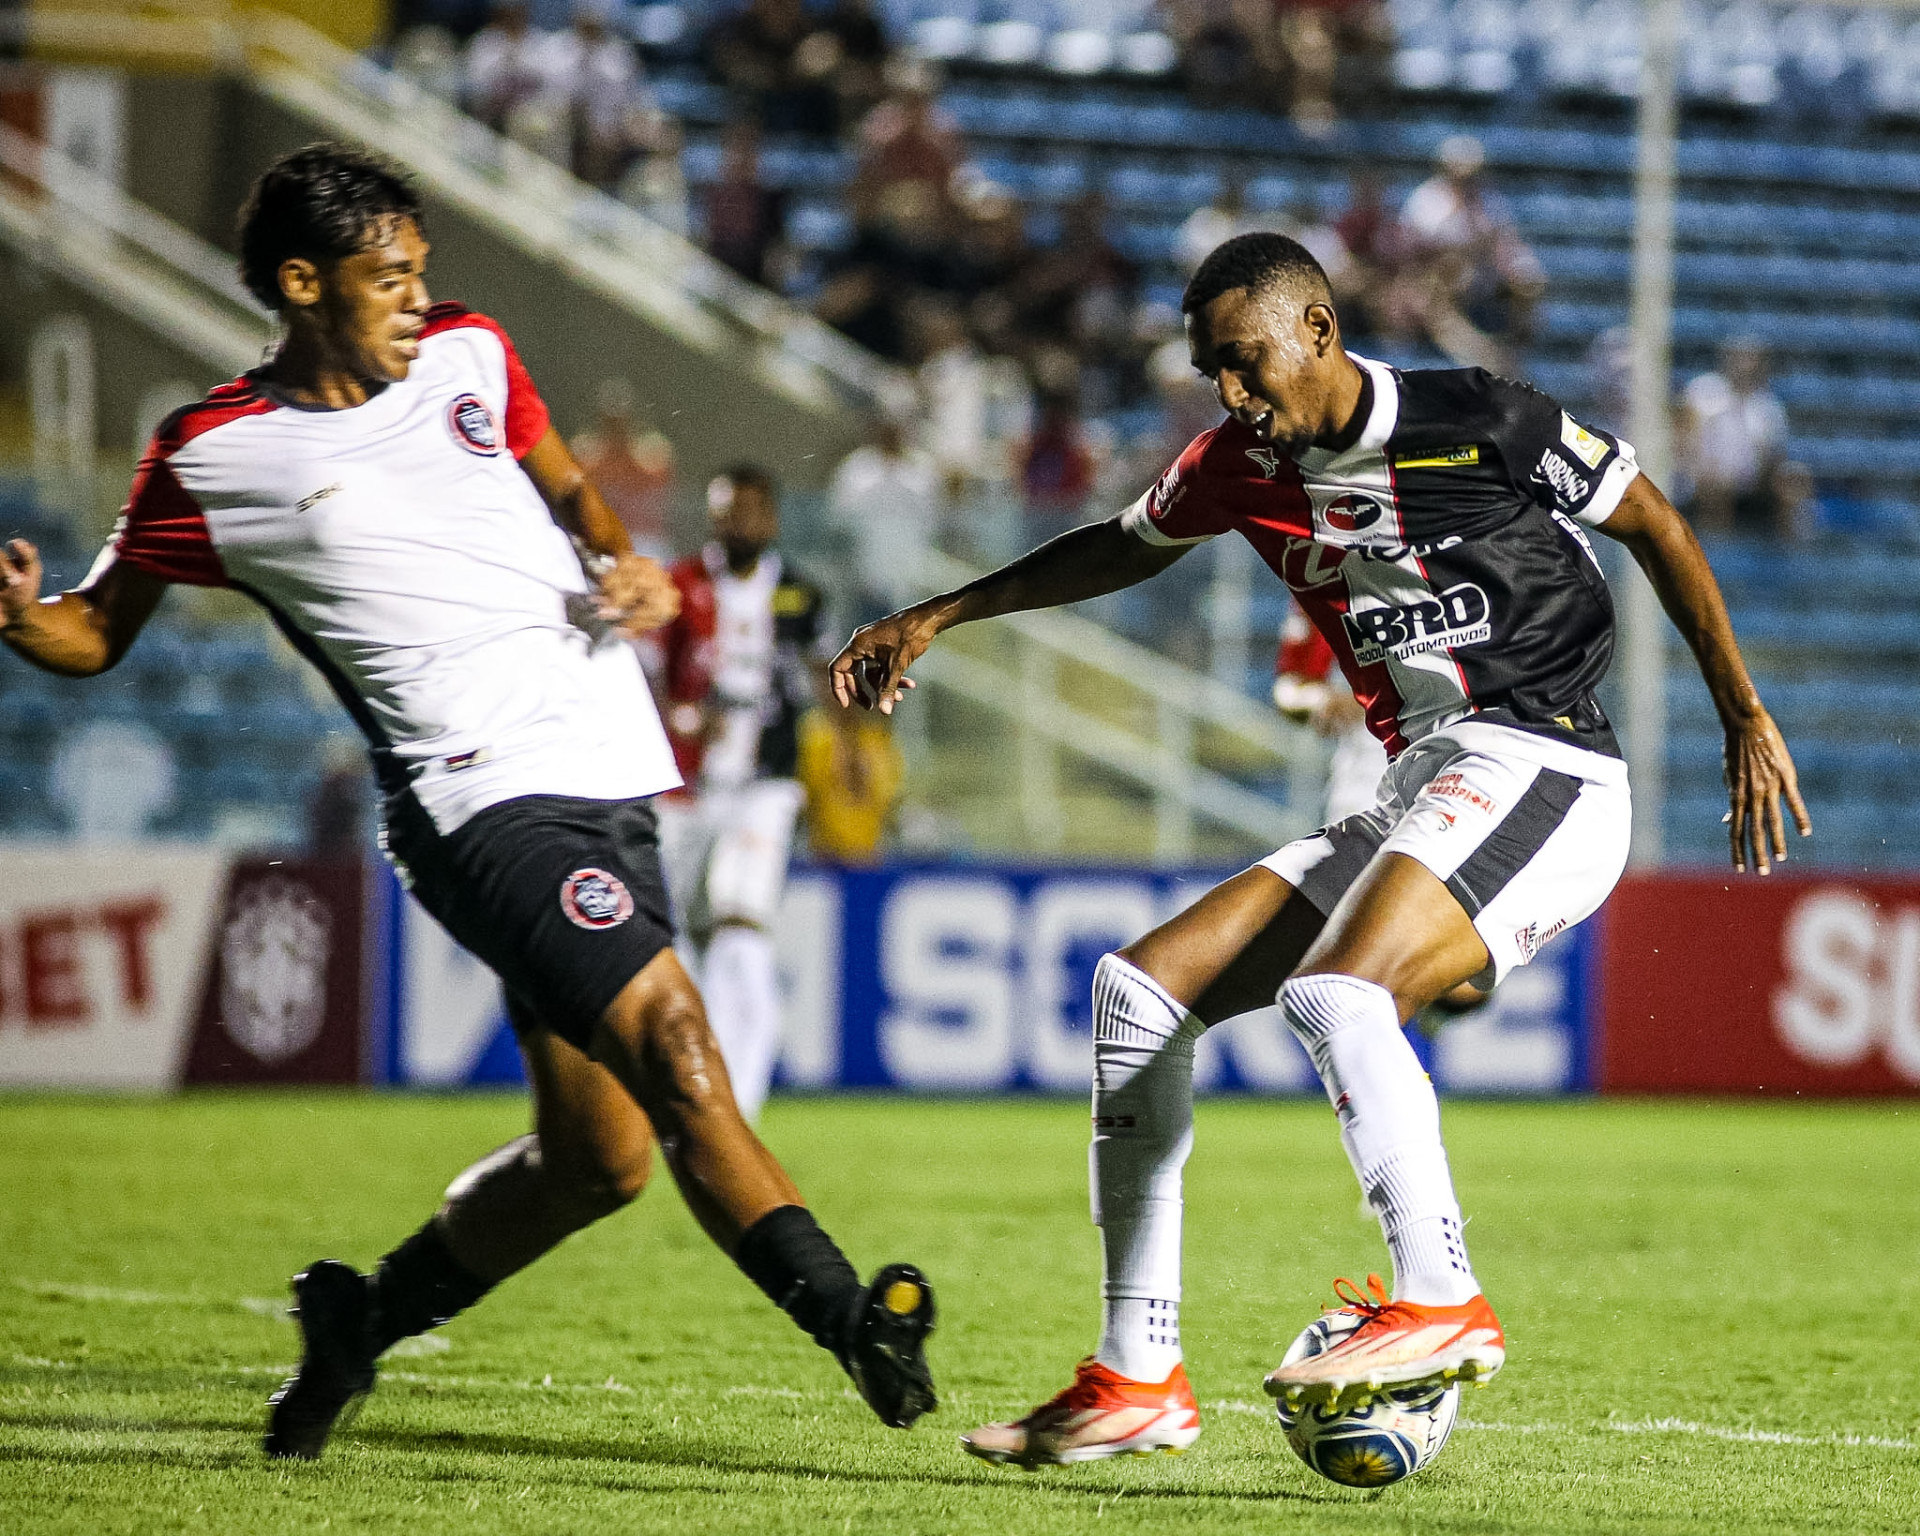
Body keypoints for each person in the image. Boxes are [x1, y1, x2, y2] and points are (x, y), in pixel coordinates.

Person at [0, 143, 936, 1459]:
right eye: (387, 278)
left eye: (420, 273)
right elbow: (94, 631)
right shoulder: (216, 454)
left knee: (597, 1161)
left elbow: (583, 509)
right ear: (300, 281)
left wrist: (637, 573)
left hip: (610, 775)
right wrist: (18, 619)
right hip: (477, 800)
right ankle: (858, 1321)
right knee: (679, 1042)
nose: (414, 298)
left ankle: (355, 1329)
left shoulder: (473, 354)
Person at [831, 232, 1808, 1466]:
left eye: (1246, 365)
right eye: (1211, 375)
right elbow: (1120, 545)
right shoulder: (1236, 464)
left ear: (1320, 332)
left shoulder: (1480, 417)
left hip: (1545, 762)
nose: (1233, 397)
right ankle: (1138, 1377)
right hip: (1422, 781)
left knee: (1338, 992)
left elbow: (1656, 522)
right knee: (1137, 992)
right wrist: (939, 614)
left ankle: (1441, 1292)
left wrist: (1742, 711)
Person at [655, 467, 827, 1123]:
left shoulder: (801, 595)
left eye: (752, 512)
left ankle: (739, 1107)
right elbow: (646, 674)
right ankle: (693, 1092)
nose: (739, 525)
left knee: (740, 921)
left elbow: (823, 678)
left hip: (765, 787)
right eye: (727, 511)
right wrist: (680, 716)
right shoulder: (678, 584)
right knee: (688, 939)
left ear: (773, 519)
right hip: (687, 791)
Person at [1272, 602, 1387, 826]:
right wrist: (1323, 700)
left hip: (1441, 762)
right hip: (1361, 773)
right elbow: (1286, 689)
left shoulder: (1443, 580)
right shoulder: (1320, 588)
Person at [826, 412, 941, 621]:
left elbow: (932, 522)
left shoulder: (921, 472)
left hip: (907, 575)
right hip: (863, 576)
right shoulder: (856, 469)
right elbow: (839, 518)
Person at [1676, 339, 1793, 538]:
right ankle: (1713, 546)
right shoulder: (1704, 390)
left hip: (1750, 480)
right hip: (1706, 474)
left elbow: (1773, 455)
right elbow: (1683, 435)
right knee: (1714, 488)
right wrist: (1698, 468)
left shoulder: (1767, 406)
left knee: (1792, 485)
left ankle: (1787, 556)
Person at [795, 702, 903, 865]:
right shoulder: (816, 734)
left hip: (866, 855)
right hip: (824, 855)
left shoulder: (877, 742)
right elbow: (804, 794)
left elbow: (886, 800)